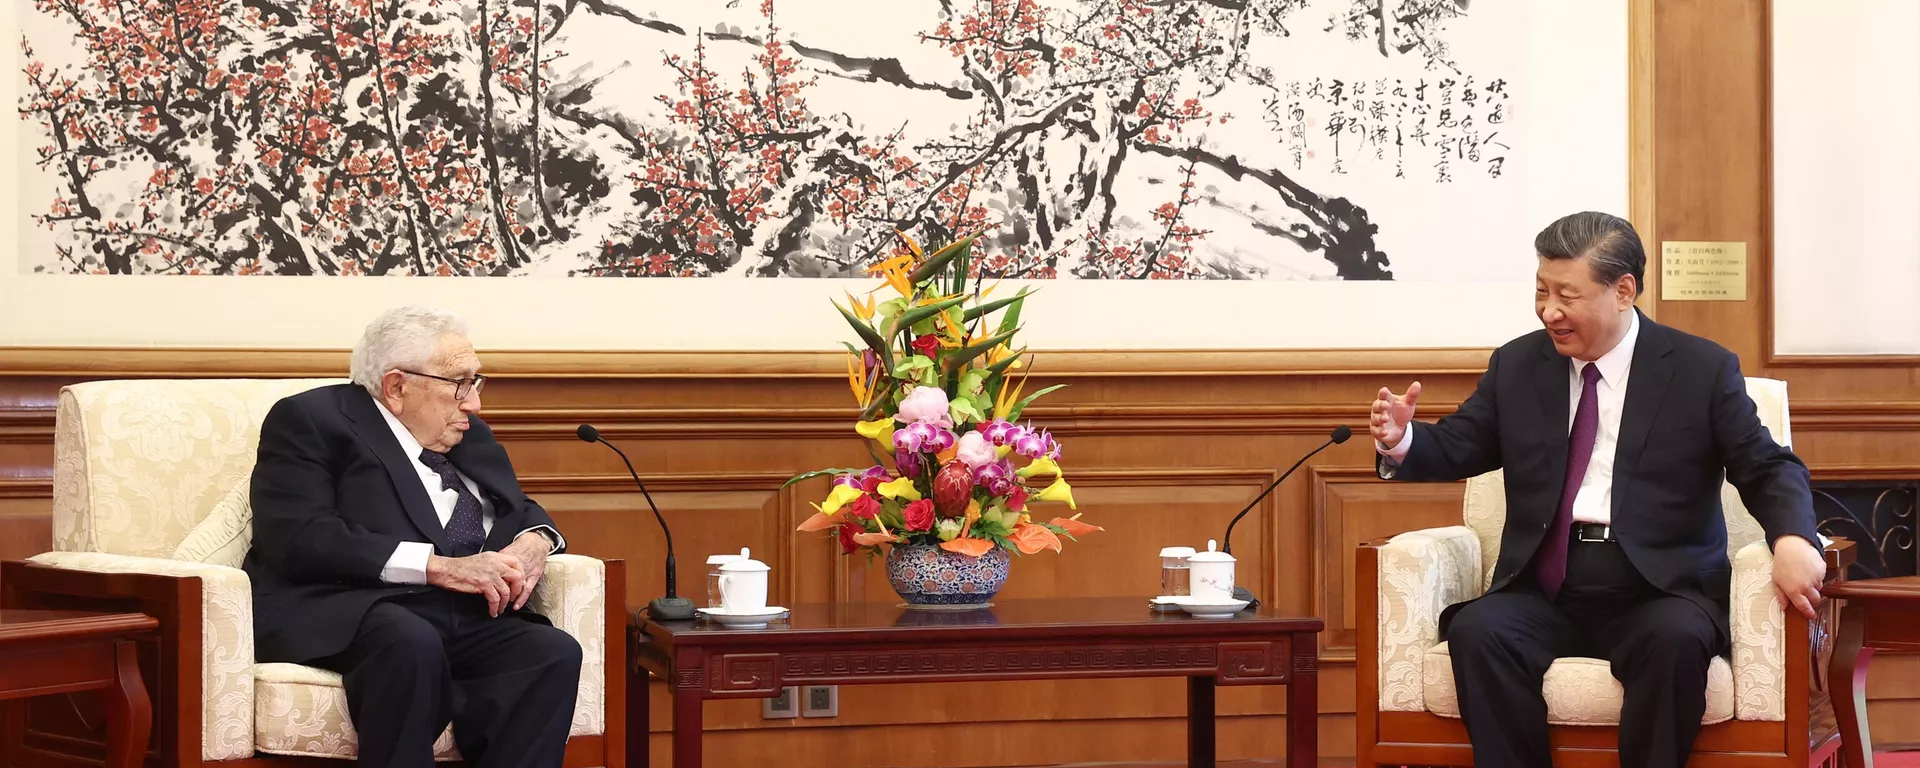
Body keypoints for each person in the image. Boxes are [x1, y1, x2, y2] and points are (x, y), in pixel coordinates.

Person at [1369, 211, 1826, 768]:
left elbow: (1767, 465)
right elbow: (1463, 444)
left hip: (1659, 590)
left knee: (1675, 641)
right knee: (1479, 632)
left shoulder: (1698, 369)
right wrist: (1403, 441)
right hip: (1545, 587)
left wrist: (1794, 539)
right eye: (1541, 291)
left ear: (1623, 291)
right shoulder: (1518, 364)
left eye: (1567, 295)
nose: (1549, 311)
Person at [243, 306, 581, 768]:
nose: (474, 403)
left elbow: (516, 504)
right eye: (459, 383)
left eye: (476, 383)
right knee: (410, 641)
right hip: (343, 607)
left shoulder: (465, 432)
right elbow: (300, 536)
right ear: (397, 387)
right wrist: (440, 568)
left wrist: (536, 539)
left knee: (549, 652)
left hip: (452, 613)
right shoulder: (312, 421)